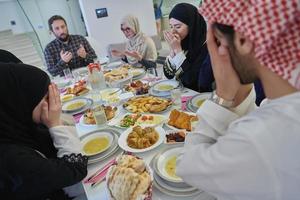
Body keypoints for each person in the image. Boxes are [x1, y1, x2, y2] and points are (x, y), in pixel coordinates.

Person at [177, 1, 300, 200]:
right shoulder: (282, 105)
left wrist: (223, 95)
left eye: (216, 41)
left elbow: (187, 168)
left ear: (243, 39)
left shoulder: (260, 141)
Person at [0, 63, 88, 199]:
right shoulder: (11, 158)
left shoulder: (20, 127)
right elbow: (75, 169)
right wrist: (55, 123)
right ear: (21, 100)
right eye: (46, 97)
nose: (52, 102)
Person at [163, 3, 214, 92]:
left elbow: (191, 81)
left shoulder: (207, 46)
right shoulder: (182, 42)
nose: (173, 31)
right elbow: (168, 75)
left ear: (191, 26)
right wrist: (172, 51)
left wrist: (178, 51)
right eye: (171, 26)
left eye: (178, 27)